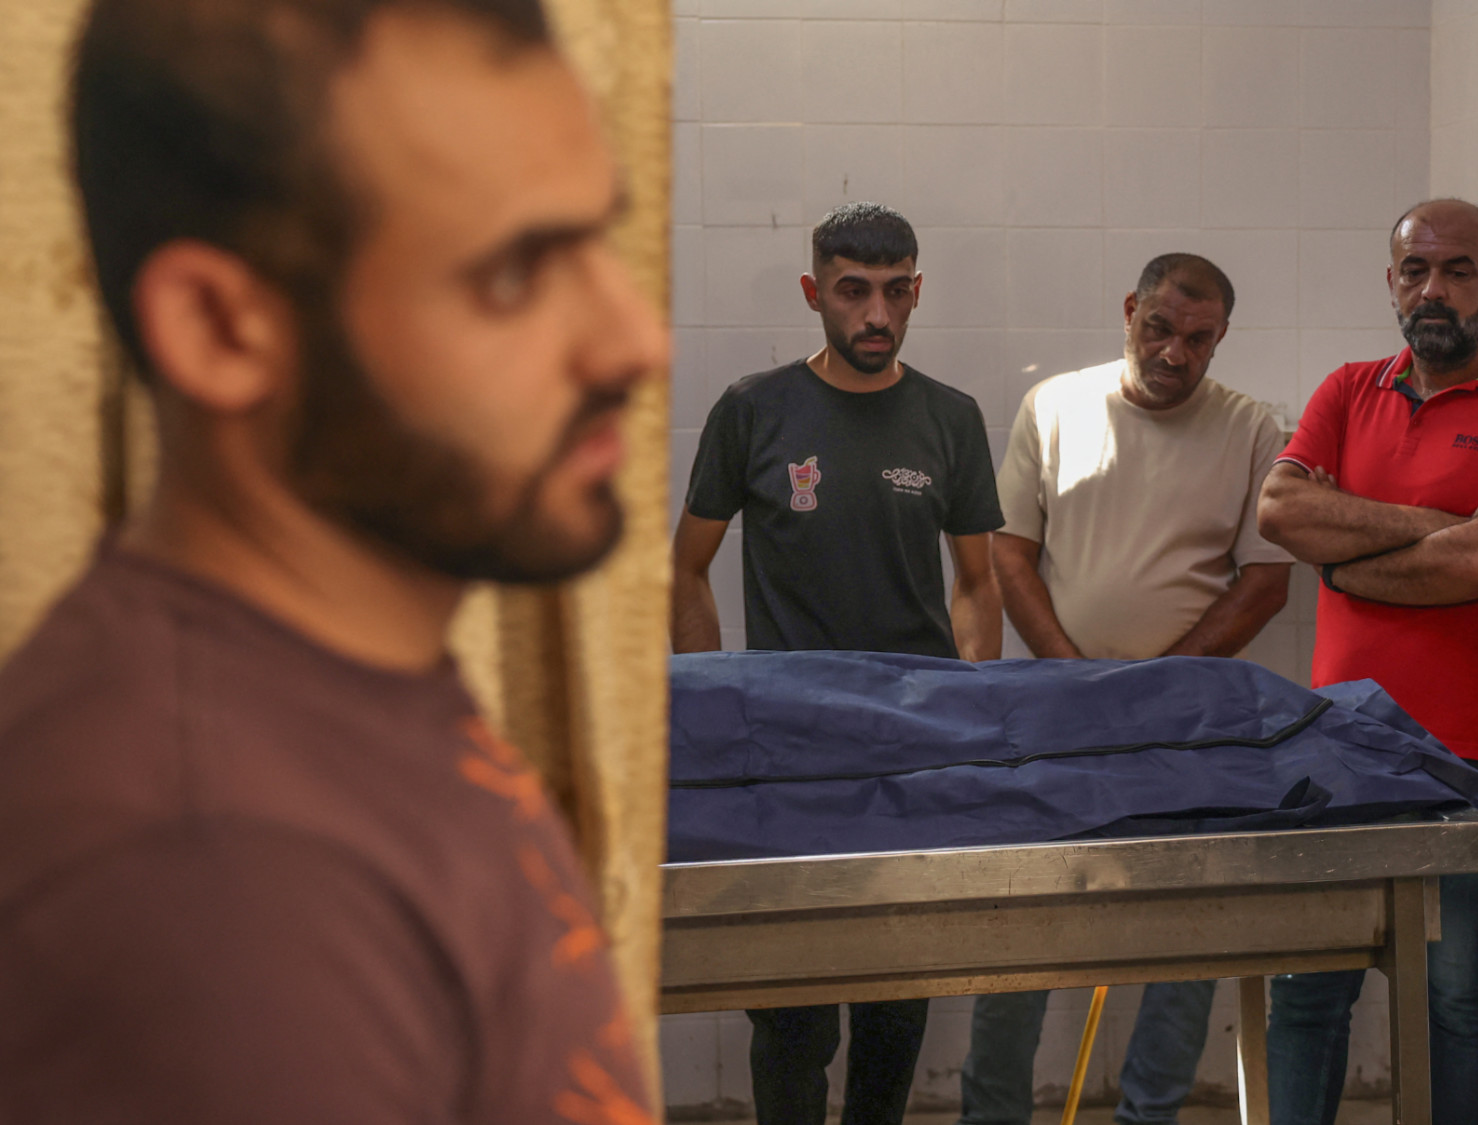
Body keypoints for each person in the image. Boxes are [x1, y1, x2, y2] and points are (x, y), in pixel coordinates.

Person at [0, 0, 667, 1120]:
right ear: (220, 328)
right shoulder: (214, 881)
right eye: (515, 273)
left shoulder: (334, 685)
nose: (636, 340)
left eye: (598, 239)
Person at [1255, 199, 1478, 1125]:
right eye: (1416, 270)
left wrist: (1347, 555)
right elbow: (1281, 512)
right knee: (1309, 991)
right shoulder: (1347, 388)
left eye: (1457, 270)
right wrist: (1439, 529)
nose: (1434, 289)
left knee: (1463, 999)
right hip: (1343, 749)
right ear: (1393, 282)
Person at [671, 201, 1004, 1125]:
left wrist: (974, 712)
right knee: (793, 1009)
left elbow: (978, 582)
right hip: (786, 754)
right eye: (854, 292)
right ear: (816, 292)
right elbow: (686, 566)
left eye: (896, 293)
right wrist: (712, 706)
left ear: (917, 292)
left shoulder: (951, 417)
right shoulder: (753, 409)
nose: (877, 316)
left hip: (917, 748)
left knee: (898, 998)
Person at [958, 253, 1293, 1125]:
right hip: (1054, 711)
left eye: (1197, 338)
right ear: (1128, 313)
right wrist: (1071, 669)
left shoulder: (1254, 428)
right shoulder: (1056, 404)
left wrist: (1165, 683)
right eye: (1159, 327)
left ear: (1220, 339)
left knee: (1187, 942)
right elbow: (1009, 552)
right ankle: (991, 1114)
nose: (1174, 352)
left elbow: (1265, 581)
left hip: (1187, 720)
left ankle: (1152, 1113)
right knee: (1019, 936)